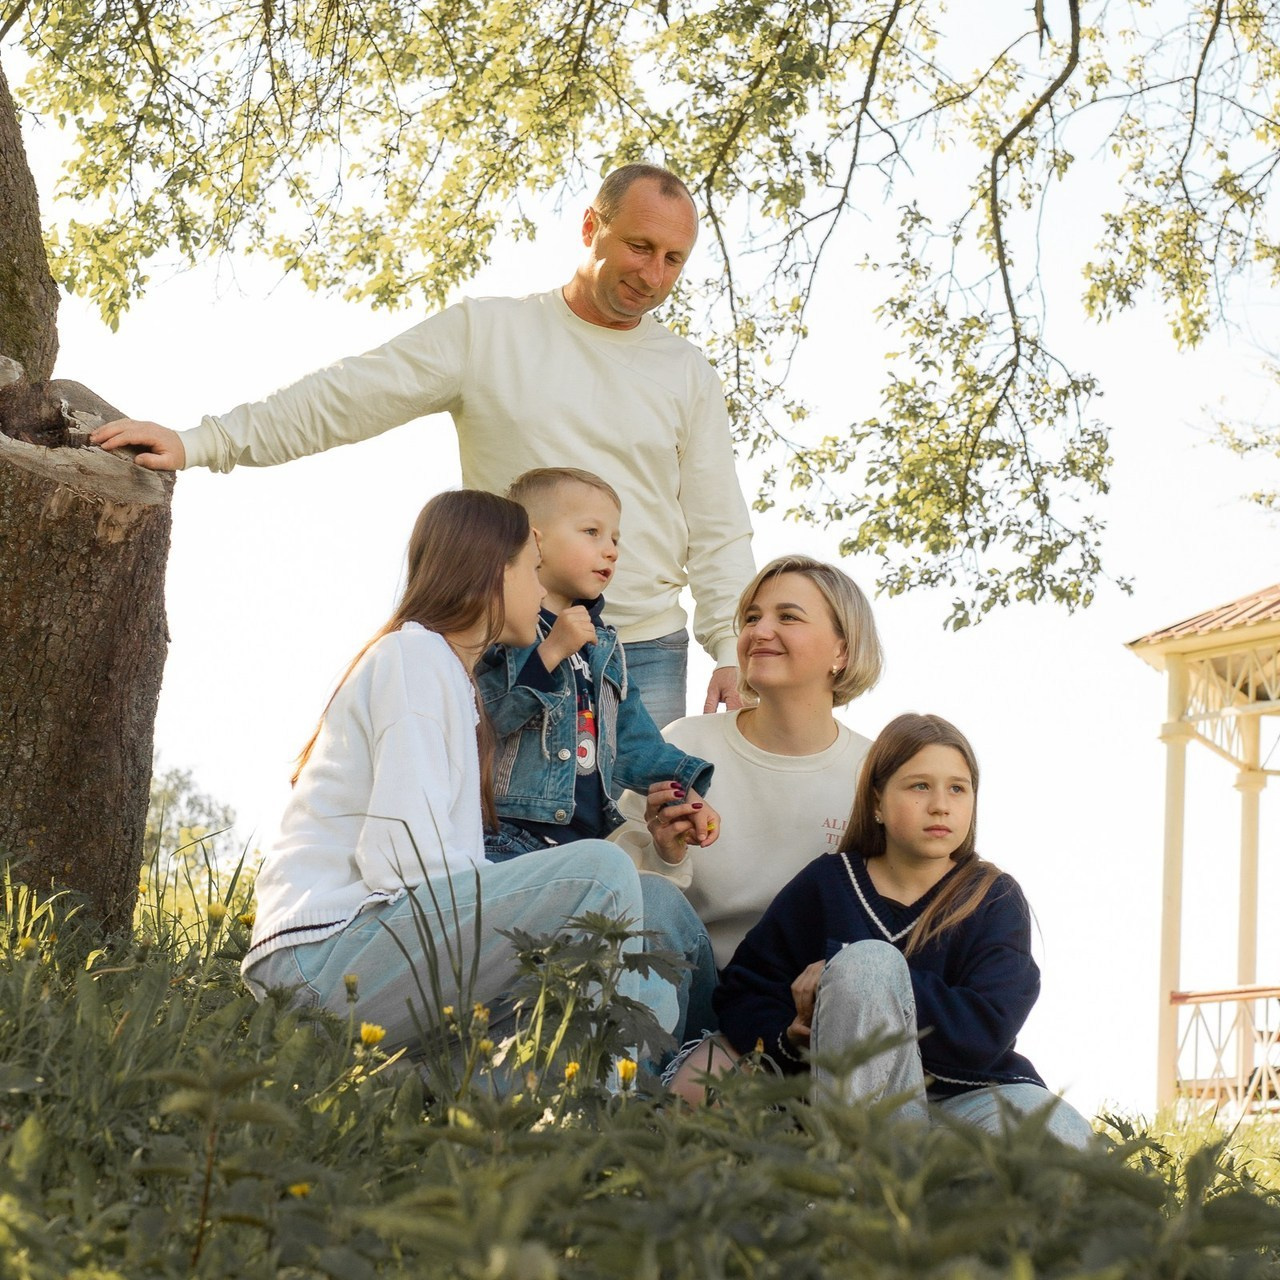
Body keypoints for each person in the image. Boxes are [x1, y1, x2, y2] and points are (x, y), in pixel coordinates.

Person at [90, 163, 756, 727]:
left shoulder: (686, 374)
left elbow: (717, 527)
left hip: (643, 654)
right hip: (506, 641)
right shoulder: (488, 334)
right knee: (480, 832)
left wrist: (732, 648)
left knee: (640, 836)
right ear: (591, 228)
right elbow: (348, 396)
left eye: (674, 259)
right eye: (640, 247)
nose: (654, 275)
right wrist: (203, 441)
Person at [241, 489, 677, 1064]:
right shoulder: (413, 657)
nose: (541, 591)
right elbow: (403, 858)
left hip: (381, 944)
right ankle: (600, 1103)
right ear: (496, 573)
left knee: (644, 982)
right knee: (602, 873)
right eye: (531, 571)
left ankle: (481, 1097)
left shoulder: (448, 677)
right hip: (323, 955)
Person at [687, 713, 1094, 1148]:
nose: (940, 805)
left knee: (1065, 1135)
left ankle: (929, 1174)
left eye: (958, 788)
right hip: (850, 1103)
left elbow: (987, 1028)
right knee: (867, 962)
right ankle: (867, 1173)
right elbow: (744, 991)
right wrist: (790, 1033)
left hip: (968, 1099)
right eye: (920, 786)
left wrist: (843, 971)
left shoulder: (992, 897)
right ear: (877, 802)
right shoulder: (828, 883)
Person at [612, 554, 881, 1038]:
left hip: (801, 1009)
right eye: (752, 617)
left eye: (788, 617)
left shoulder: (874, 774)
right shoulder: (684, 745)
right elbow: (618, 902)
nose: (760, 631)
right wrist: (665, 854)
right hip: (688, 992)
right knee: (651, 895)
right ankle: (634, 1082)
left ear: (842, 650)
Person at [478, 468, 719, 857]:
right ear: (535, 541)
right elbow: (484, 723)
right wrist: (550, 653)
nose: (611, 550)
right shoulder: (501, 628)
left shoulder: (605, 648)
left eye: (614, 539)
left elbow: (634, 739)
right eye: (592, 532)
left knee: (639, 887)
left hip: (580, 845)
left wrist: (685, 789)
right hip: (505, 835)